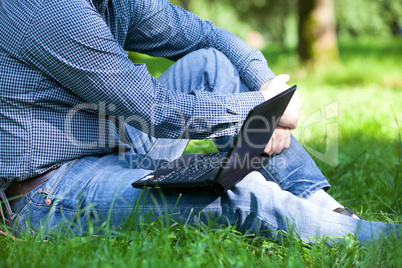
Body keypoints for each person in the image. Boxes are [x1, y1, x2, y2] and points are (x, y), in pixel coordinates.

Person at [0, 0, 398, 242]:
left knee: (211, 64)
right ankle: (376, 242)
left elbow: (208, 36)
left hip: (113, 139)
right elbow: (153, 110)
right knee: (234, 193)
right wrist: (257, 104)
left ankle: (320, 205)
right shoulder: (51, 11)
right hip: (50, 189)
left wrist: (268, 94)